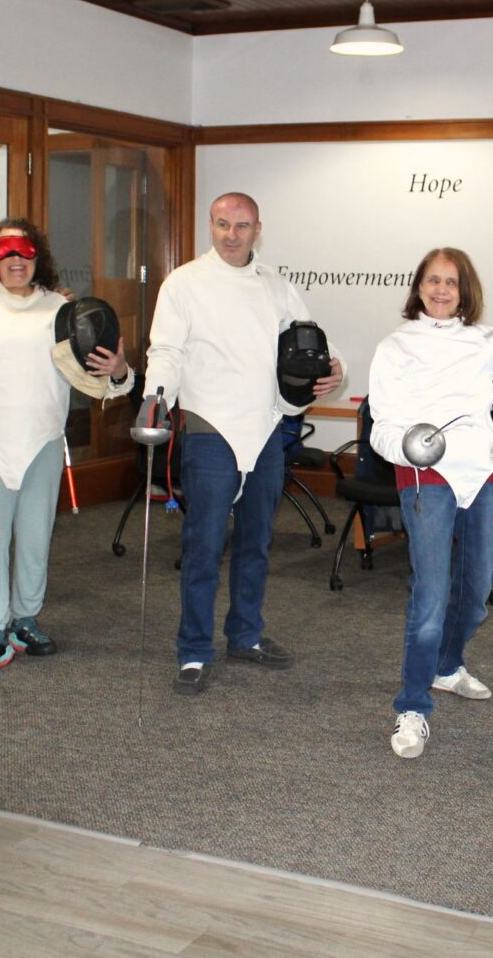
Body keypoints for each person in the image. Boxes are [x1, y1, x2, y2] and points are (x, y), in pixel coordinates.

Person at [139, 191, 343, 695]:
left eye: (243, 225)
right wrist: (154, 398)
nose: (233, 234)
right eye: (223, 224)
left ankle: (246, 635)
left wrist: (335, 368)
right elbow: (165, 349)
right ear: (211, 225)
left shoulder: (276, 284)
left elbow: (310, 339)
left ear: (258, 229)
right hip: (211, 427)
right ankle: (193, 649)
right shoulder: (184, 283)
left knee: (256, 542)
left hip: (266, 428)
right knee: (204, 544)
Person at [370, 248, 493, 759]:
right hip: (426, 474)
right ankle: (412, 706)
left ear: (464, 290)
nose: (440, 290)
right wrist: (408, 448)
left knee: (476, 594)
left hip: (485, 473)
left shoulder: (487, 341)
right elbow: (382, 423)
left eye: (450, 282)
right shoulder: (396, 346)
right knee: (431, 599)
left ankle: (447, 666)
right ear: (418, 287)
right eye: (432, 280)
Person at [0, 219, 133, 677]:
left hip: (42, 439)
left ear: (37, 257)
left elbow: (98, 381)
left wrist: (119, 370)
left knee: (36, 539)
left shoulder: (59, 310)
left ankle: (25, 620)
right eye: (6, 253)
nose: (16, 261)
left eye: (24, 253)